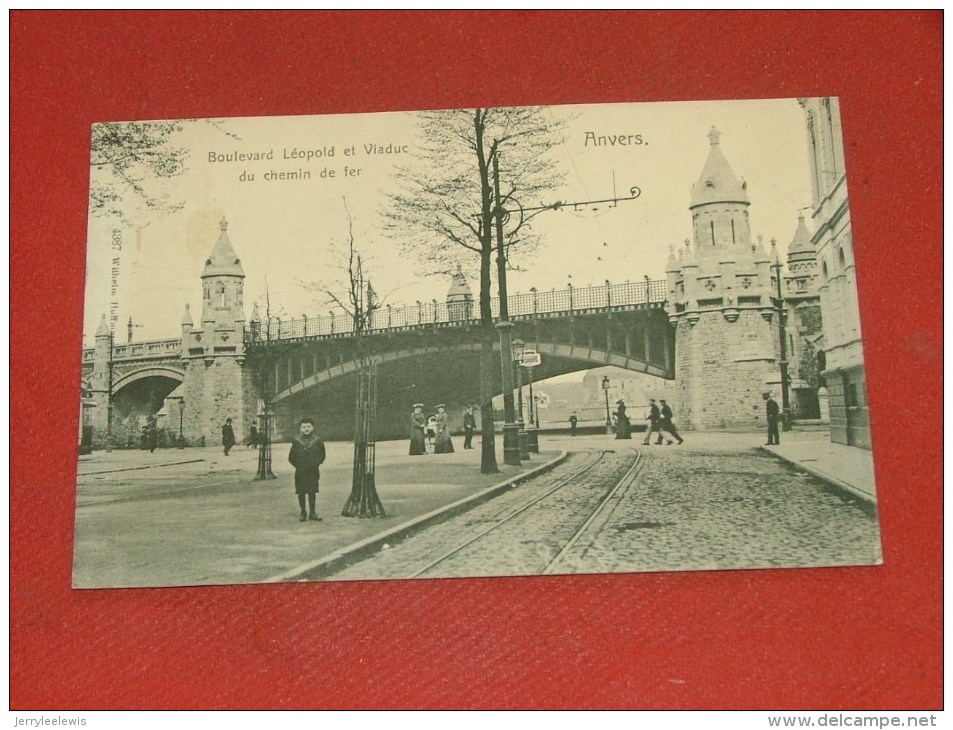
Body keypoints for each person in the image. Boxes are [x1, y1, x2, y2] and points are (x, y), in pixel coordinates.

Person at [288, 417, 326, 522]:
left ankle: (312, 512)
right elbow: (291, 457)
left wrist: (316, 463)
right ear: (300, 429)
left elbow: (322, 454)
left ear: (313, 428)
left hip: (313, 471)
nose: (306, 429)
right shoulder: (296, 441)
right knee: (301, 492)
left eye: (309, 426)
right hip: (300, 472)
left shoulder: (317, 441)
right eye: (304, 427)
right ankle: (303, 512)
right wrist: (299, 465)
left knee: (312, 491)